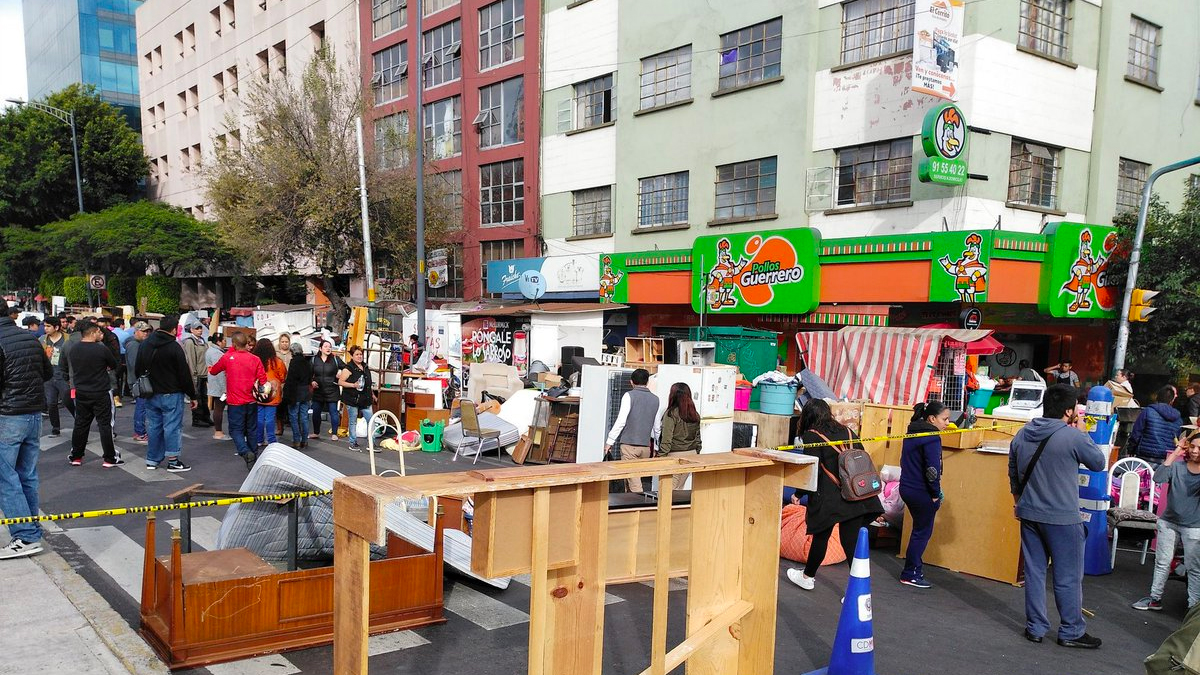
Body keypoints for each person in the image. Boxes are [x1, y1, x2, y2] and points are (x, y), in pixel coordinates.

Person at [1009, 384, 1105, 648]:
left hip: (1029, 512)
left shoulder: (1023, 433)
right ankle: (1072, 630)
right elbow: (1098, 462)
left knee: (1035, 573)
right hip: (1063, 517)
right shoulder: (1073, 437)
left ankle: (1035, 627)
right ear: (1069, 410)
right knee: (1068, 577)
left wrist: (1018, 501)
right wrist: (1083, 431)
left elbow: (1013, 470)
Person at [785, 399, 883, 591]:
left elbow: (811, 469)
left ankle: (808, 577)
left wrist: (799, 492)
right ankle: (856, 590)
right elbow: (860, 456)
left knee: (821, 538)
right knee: (851, 544)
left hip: (829, 498)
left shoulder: (811, 436)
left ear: (808, 416)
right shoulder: (847, 431)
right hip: (856, 494)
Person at [0, 302, 53, 559]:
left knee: (5, 477)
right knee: (26, 475)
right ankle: (32, 528)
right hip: (32, 414)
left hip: (8, 416)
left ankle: (25, 535)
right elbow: (47, 372)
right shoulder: (30, 338)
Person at [1132, 431, 1200, 612]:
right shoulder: (1178, 467)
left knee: (1194, 568)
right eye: (1192, 446)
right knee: (1162, 562)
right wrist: (1177, 451)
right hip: (1168, 522)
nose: (1195, 451)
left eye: (1199, 448)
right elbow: (1158, 478)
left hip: (1194, 527)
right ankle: (1155, 599)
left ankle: (1192, 609)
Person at [135, 314, 196, 473]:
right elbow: (184, 374)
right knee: (172, 427)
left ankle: (152, 460)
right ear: (174, 329)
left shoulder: (145, 344)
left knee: (154, 427)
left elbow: (137, 369)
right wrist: (192, 395)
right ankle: (173, 461)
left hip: (150, 392)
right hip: (171, 392)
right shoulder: (174, 346)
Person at [899, 401, 950, 589]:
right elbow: (932, 469)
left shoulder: (912, 431)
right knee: (922, 532)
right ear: (932, 418)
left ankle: (912, 570)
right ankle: (911, 572)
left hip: (906, 487)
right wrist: (935, 493)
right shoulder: (931, 436)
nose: (947, 423)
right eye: (944, 419)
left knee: (918, 531)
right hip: (922, 492)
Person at [62, 320, 121, 467]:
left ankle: (76, 456)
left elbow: (66, 367)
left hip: (81, 391)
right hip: (100, 391)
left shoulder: (74, 348)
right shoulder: (101, 349)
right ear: (93, 333)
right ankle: (109, 458)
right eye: (99, 332)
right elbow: (113, 364)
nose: (100, 335)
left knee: (81, 424)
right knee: (104, 425)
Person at [209, 332, 266, 468]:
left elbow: (213, 371)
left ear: (233, 344)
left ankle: (245, 452)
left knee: (236, 430)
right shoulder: (255, 359)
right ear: (246, 343)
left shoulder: (228, 357)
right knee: (251, 429)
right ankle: (253, 456)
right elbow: (263, 379)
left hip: (235, 402)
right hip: (251, 400)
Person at [604, 369, 659, 493]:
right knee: (631, 479)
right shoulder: (655, 399)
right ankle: (629, 508)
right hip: (645, 447)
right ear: (647, 381)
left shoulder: (629, 396)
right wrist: (656, 447)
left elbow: (621, 421)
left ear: (631, 382)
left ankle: (641, 507)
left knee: (634, 483)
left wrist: (609, 441)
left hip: (629, 446)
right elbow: (657, 427)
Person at [1128, 386, 1184, 465]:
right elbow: (1176, 439)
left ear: (1157, 397)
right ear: (1172, 400)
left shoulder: (1148, 411)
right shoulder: (1178, 419)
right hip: (1166, 460)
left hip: (1144, 458)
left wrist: (1131, 450)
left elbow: (1136, 434)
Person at [337, 345, 376, 452]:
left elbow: (368, 383)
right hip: (352, 399)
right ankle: (353, 442)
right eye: (357, 354)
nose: (359, 356)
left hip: (366, 398)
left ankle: (372, 443)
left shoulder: (365, 367)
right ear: (352, 356)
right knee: (353, 421)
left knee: (371, 420)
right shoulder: (348, 368)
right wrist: (353, 385)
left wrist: (372, 394)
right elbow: (340, 382)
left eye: (360, 354)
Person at [251, 338, 287, 448]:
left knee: (259, 417)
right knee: (270, 418)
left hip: (258, 391)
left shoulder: (254, 360)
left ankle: (259, 439)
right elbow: (283, 376)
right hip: (273, 392)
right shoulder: (277, 361)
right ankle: (271, 440)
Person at [39, 317, 69, 438]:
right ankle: (55, 428)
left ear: (56, 327)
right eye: (44, 326)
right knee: (51, 403)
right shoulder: (42, 340)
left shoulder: (68, 339)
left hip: (63, 376)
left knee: (69, 402)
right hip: (48, 377)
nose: (45, 328)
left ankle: (81, 427)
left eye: (48, 326)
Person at [181, 320, 213, 428]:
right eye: (197, 328)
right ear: (191, 330)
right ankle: (197, 418)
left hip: (204, 374)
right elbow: (191, 359)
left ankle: (206, 417)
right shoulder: (190, 342)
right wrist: (193, 375)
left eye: (200, 328)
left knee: (204, 397)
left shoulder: (202, 340)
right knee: (197, 397)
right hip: (197, 374)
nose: (199, 330)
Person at [310, 340, 343, 440]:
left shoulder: (335, 359)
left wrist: (340, 372)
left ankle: (334, 433)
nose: (328, 348)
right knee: (316, 412)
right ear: (320, 348)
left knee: (333, 412)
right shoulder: (314, 360)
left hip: (332, 389)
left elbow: (346, 368)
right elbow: (307, 373)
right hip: (318, 390)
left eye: (330, 347)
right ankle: (316, 432)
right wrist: (311, 381)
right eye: (325, 346)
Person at [124, 321, 151, 444]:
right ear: (136, 331)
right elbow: (136, 365)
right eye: (144, 331)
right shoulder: (134, 345)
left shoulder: (139, 344)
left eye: (148, 331)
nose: (147, 333)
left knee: (142, 406)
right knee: (141, 406)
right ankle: (140, 432)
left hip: (140, 380)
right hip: (139, 381)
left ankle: (140, 431)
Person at [283, 343, 312, 448]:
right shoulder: (307, 362)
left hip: (295, 392)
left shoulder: (294, 362)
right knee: (304, 417)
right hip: (305, 392)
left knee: (294, 416)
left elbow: (291, 380)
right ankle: (305, 440)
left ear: (292, 352)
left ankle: (297, 440)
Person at [92, 315, 123, 409]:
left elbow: (116, 351)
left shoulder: (111, 337)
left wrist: (115, 364)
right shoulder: (95, 340)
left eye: (103, 327)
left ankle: (116, 398)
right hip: (101, 365)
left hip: (110, 364)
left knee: (113, 381)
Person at [206, 333, 228, 441]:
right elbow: (219, 372)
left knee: (218, 407)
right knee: (219, 407)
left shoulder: (212, 351)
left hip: (215, 384)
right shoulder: (216, 353)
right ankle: (218, 431)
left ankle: (218, 430)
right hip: (219, 385)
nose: (225, 342)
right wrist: (225, 389)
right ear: (219, 342)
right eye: (224, 340)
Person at [110, 317, 131, 399]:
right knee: (126, 374)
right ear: (122, 325)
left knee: (116, 375)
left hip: (114, 356)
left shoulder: (111, 333)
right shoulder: (126, 334)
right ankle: (126, 391)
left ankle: (116, 393)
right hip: (123, 355)